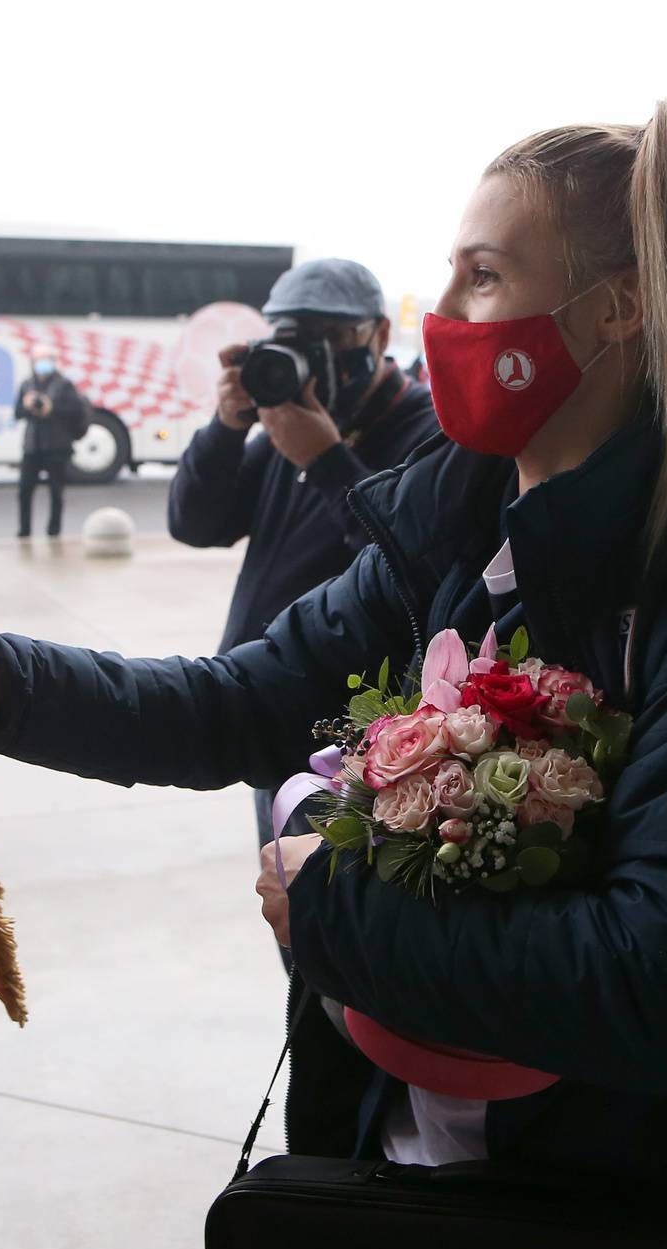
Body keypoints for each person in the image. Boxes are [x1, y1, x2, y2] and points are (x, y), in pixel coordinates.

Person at [0, 92, 667, 1249]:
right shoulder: (456, 533)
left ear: (618, 308)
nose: (445, 314)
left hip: (605, 1219)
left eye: (484, 275)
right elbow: (241, 702)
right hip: (389, 1174)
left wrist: (332, 907)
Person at [168, 260, 438, 861]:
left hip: (356, 738)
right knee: (289, 909)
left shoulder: (425, 432)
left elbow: (413, 566)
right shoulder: (287, 425)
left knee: (333, 919)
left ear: (375, 336)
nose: (311, 356)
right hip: (271, 711)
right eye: (293, 338)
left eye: (329, 335)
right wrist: (225, 427)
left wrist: (327, 461)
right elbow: (195, 523)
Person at [11, 350, 89, 538]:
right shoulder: (27, 385)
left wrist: (51, 407)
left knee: (56, 491)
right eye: (38, 360)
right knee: (24, 490)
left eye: (45, 360)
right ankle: (24, 530)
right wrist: (28, 405)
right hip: (33, 446)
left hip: (57, 446)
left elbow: (75, 410)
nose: (42, 364)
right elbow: (18, 413)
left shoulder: (64, 385)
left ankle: (54, 530)